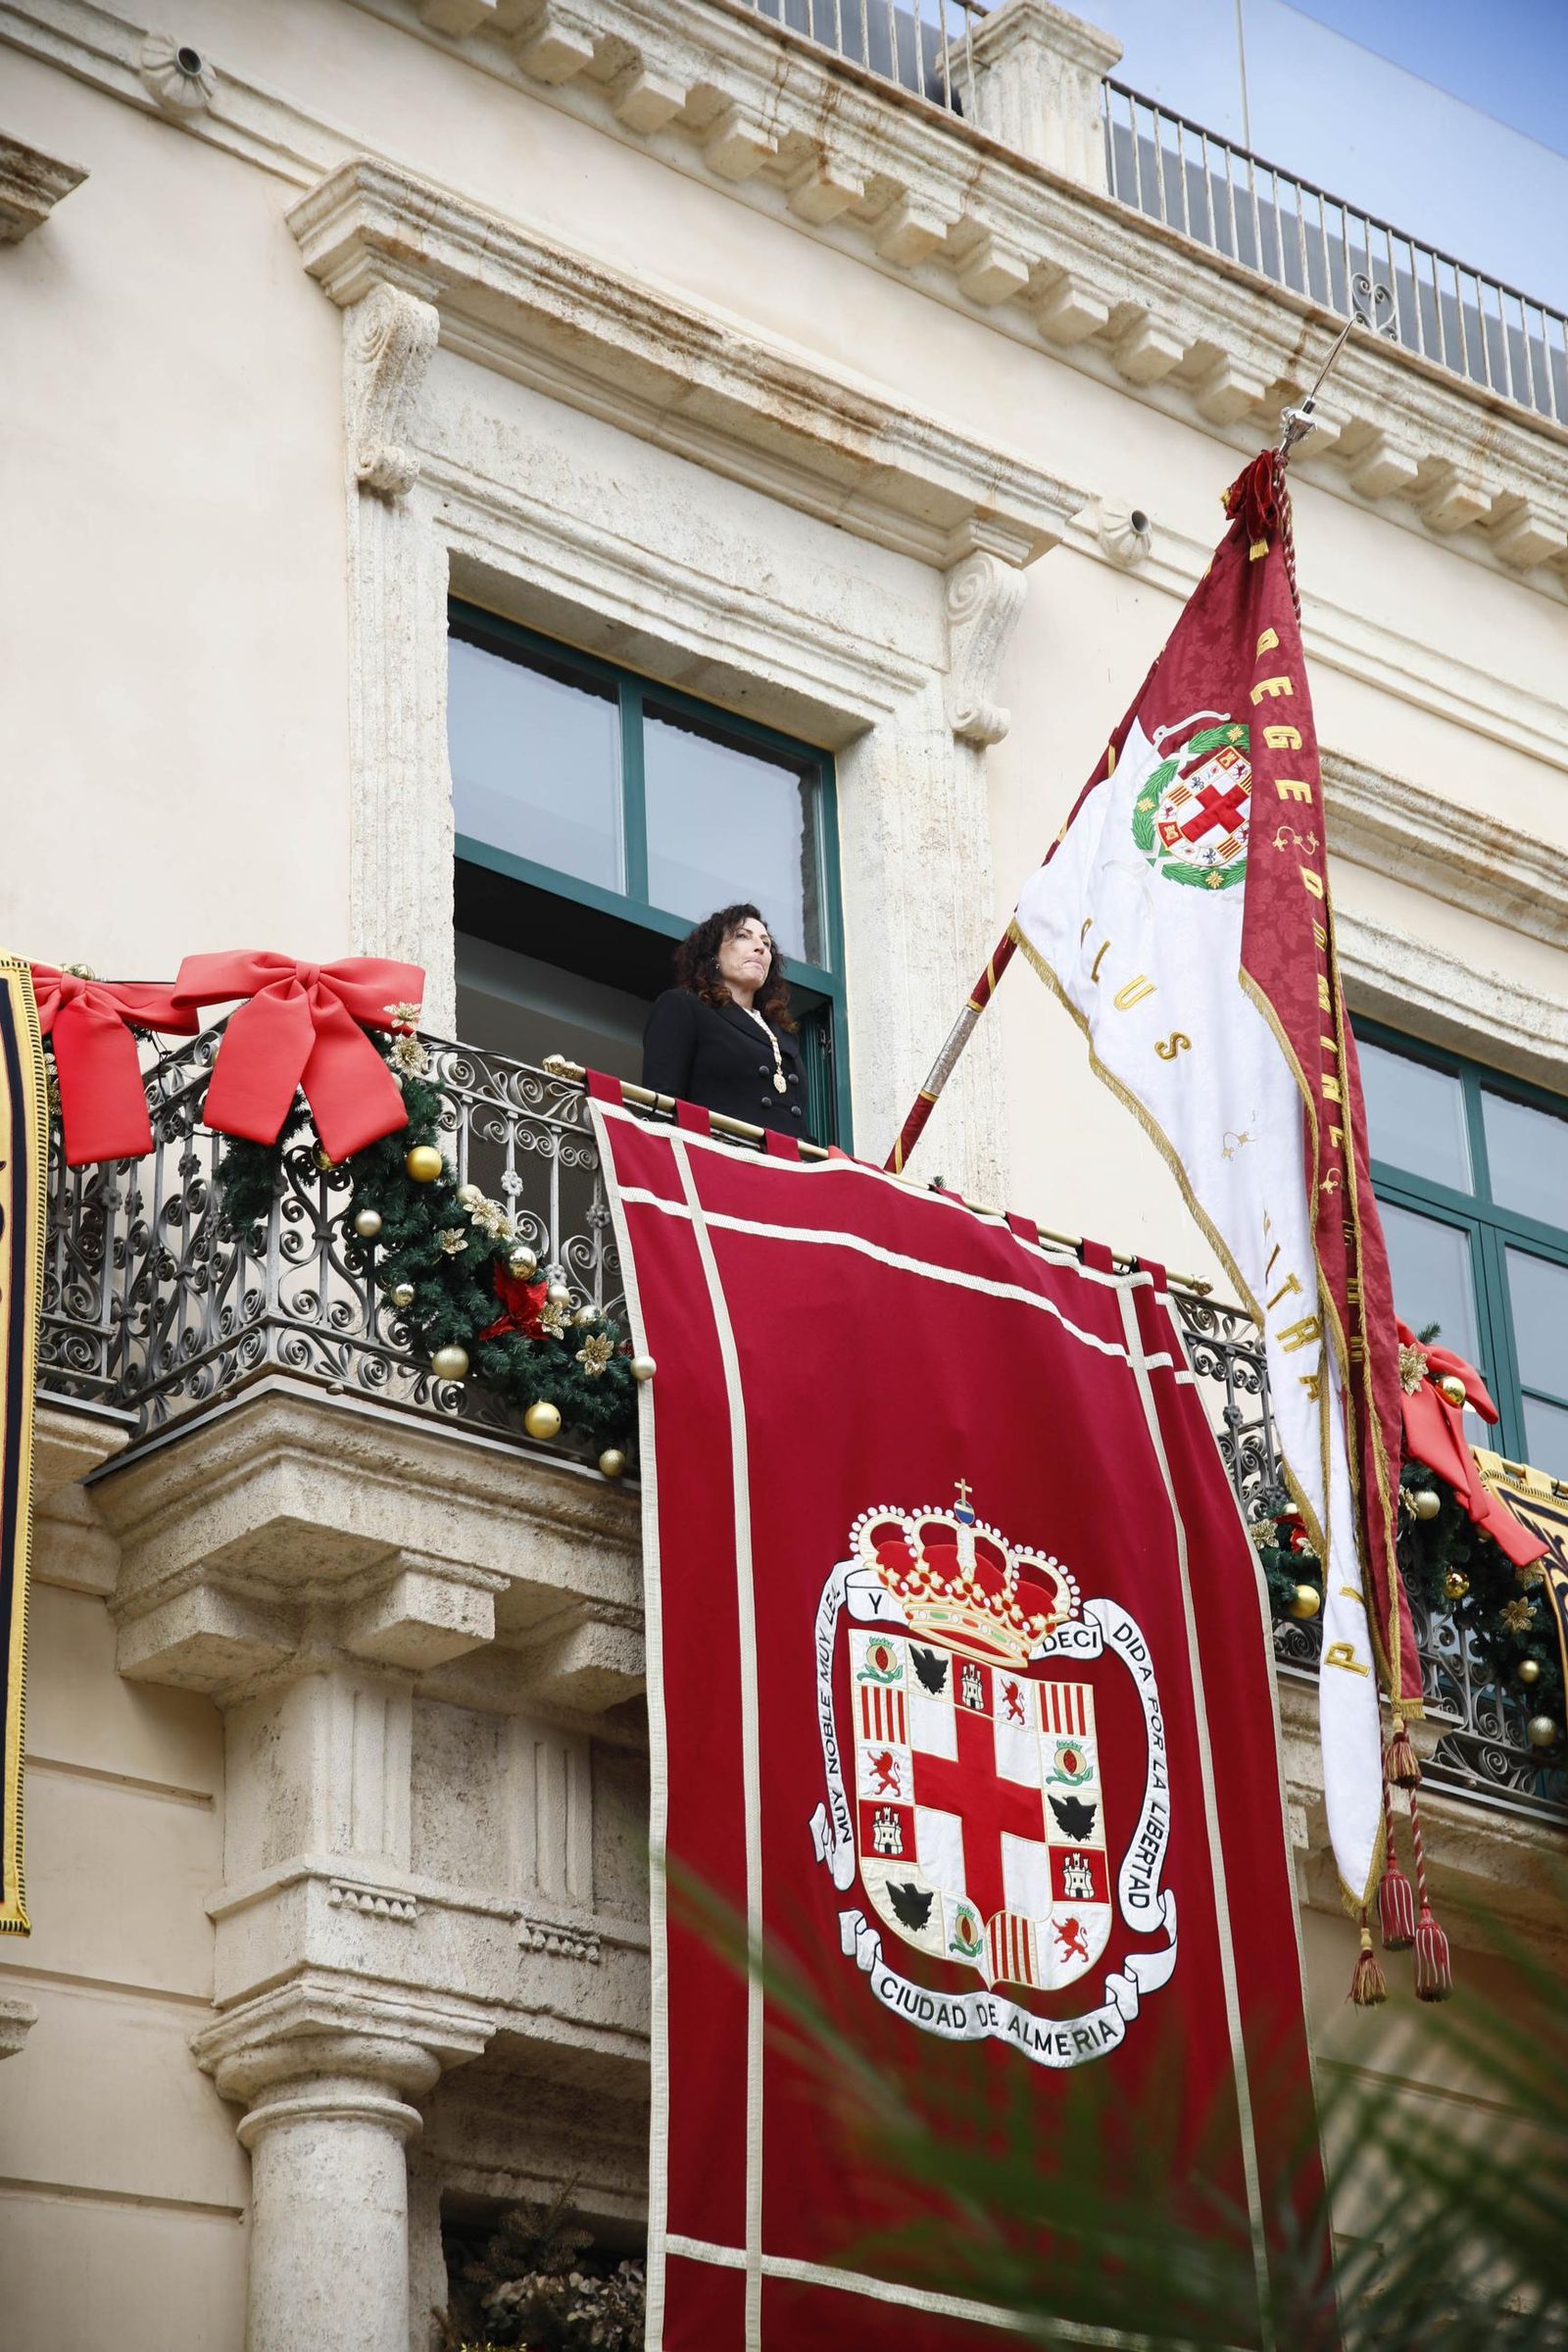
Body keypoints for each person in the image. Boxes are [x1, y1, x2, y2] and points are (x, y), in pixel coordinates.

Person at [642, 904, 811, 1140]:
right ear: (713, 954)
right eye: (743, 936)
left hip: (787, 1169)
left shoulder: (783, 1035)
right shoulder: (683, 1006)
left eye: (766, 943)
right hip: (720, 1163)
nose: (760, 948)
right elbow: (661, 1104)